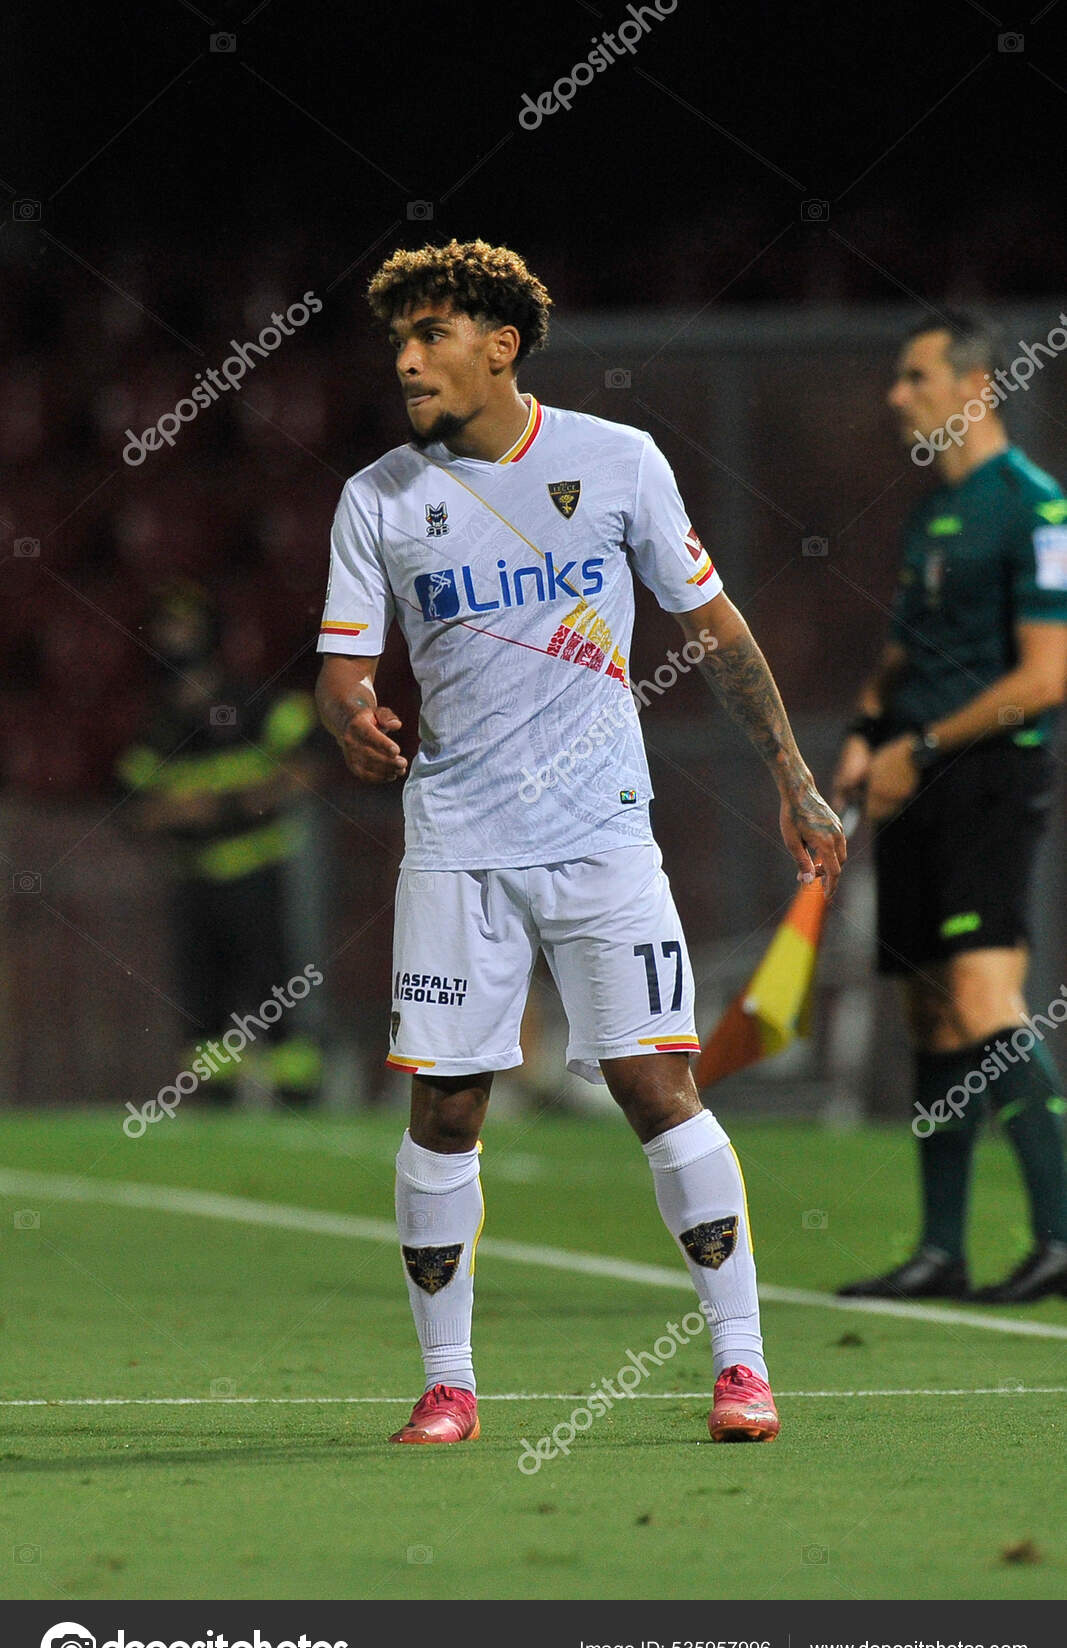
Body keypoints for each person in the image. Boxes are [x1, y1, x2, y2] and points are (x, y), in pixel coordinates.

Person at [316, 238, 844, 1445]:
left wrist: (788, 771)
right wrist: (352, 719)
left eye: (430, 336)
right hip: (455, 841)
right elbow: (342, 672)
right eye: (397, 341)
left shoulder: (617, 464)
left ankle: (741, 1365)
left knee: (656, 1084)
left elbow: (712, 628)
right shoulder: (376, 498)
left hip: (601, 835)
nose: (406, 359)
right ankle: (448, 1383)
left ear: (500, 346)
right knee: (445, 1110)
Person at [834, 314, 1067, 1304]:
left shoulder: (1036, 508)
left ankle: (1058, 1233)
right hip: (911, 780)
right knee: (927, 1011)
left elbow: (1047, 674)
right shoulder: (931, 513)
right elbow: (903, 654)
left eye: (914, 374)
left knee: (980, 994)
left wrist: (921, 746)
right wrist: (865, 726)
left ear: (974, 386)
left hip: (982, 777)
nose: (896, 394)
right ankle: (939, 1248)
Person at [118, 585, 324, 1104]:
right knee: (203, 1004)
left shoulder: (257, 702)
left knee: (281, 993)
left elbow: (309, 763)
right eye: (165, 628)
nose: (173, 640)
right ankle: (215, 1100)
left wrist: (236, 802)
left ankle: (298, 1093)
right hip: (192, 880)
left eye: (184, 627)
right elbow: (132, 809)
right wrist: (186, 810)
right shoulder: (156, 724)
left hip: (264, 874)